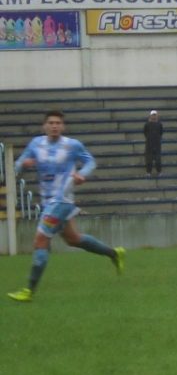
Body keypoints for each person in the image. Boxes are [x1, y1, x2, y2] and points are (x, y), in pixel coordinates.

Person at [7, 111, 126, 303]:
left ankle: (29, 290)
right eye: (51, 123)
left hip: (61, 199)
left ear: (63, 126)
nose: (54, 126)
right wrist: (23, 164)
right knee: (73, 239)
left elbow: (90, 161)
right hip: (48, 201)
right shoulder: (36, 144)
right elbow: (17, 164)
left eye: (58, 123)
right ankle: (114, 253)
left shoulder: (72, 145)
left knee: (40, 241)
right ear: (44, 126)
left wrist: (82, 174)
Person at [143, 109, 164, 175]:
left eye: (155, 115)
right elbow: (145, 132)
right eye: (153, 115)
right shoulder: (147, 124)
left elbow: (161, 132)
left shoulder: (159, 124)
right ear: (150, 116)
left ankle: (159, 171)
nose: (154, 117)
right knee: (149, 159)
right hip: (149, 144)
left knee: (158, 160)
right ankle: (148, 171)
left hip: (157, 144)